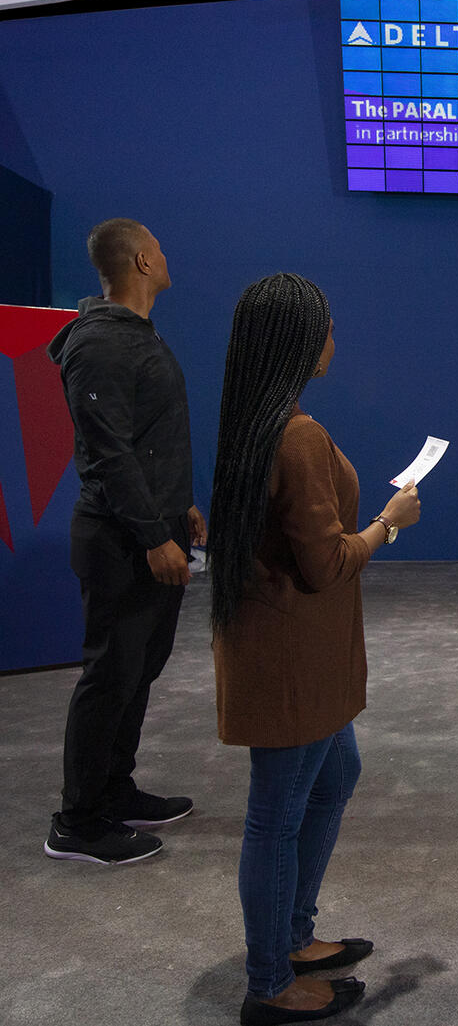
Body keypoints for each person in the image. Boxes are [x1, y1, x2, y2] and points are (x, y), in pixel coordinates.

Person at [207, 273, 421, 1026]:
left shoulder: (261, 422)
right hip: (292, 660)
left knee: (336, 776)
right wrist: (389, 523)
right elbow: (326, 562)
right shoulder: (295, 435)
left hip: (299, 651)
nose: (335, 339)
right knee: (276, 815)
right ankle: (268, 981)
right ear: (299, 340)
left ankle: (292, 935)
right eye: (326, 326)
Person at [45, 218, 206, 865]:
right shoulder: (101, 344)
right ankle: (79, 822)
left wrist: (179, 505)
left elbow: (146, 438)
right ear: (141, 261)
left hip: (150, 528)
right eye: (158, 249)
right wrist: (151, 535)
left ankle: (113, 789)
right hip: (121, 541)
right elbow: (109, 453)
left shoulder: (134, 335)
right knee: (110, 675)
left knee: (137, 670)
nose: (166, 256)